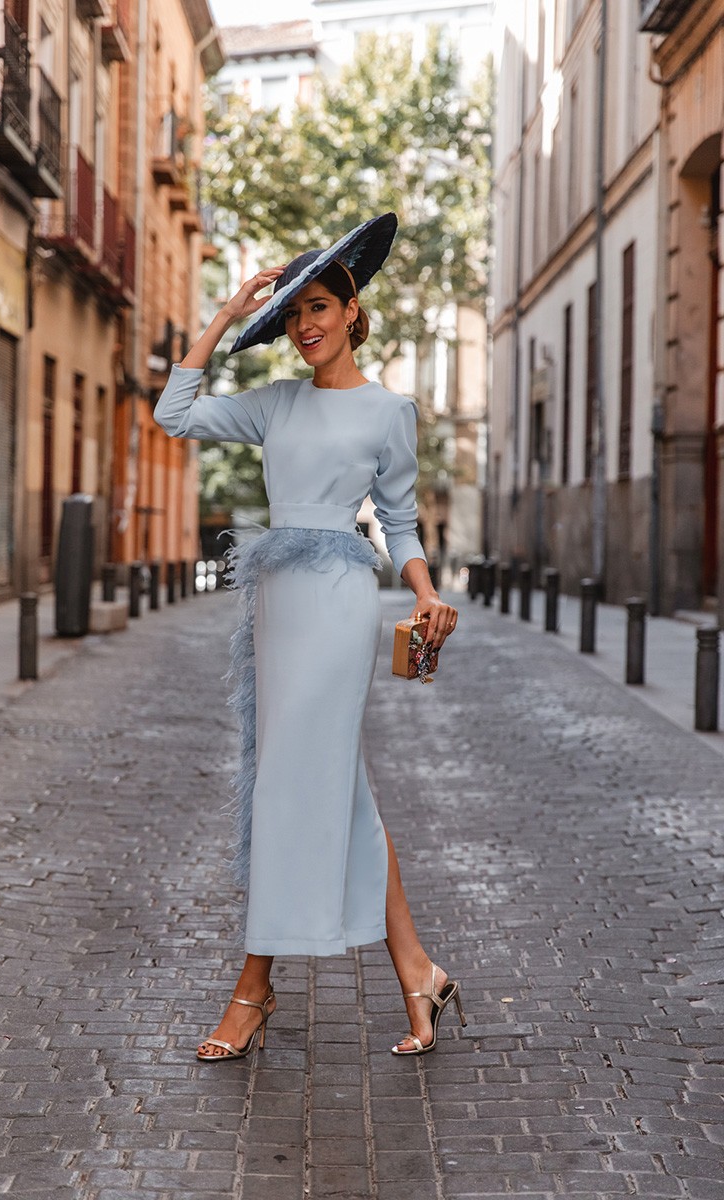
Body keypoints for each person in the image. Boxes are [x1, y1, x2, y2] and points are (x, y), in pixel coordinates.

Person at [154, 213, 465, 1061]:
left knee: (292, 779)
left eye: (319, 307)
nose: (305, 327)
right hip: (276, 606)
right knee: (335, 786)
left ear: (353, 310)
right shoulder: (273, 406)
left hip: (335, 603)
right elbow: (173, 413)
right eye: (293, 316)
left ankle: (251, 990)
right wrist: (225, 315)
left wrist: (428, 592)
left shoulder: (388, 411)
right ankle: (420, 974)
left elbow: (398, 523)